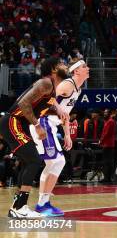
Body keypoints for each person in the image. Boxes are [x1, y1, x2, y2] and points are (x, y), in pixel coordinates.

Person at [0, 57, 68, 217]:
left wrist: (57, 109)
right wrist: (37, 125)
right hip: (13, 121)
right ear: (53, 70)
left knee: (27, 162)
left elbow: (44, 102)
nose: (65, 66)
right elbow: (24, 103)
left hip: (19, 124)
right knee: (34, 160)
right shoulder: (45, 83)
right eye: (61, 64)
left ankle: (17, 207)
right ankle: (19, 208)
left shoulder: (51, 88)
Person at [29, 60, 89, 216]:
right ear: (76, 71)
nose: (88, 68)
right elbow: (47, 94)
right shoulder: (67, 84)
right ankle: (43, 203)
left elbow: (65, 114)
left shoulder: (78, 90)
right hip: (43, 122)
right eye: (84, 67)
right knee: (57, 161)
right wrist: (57, 106)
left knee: (53, 163)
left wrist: (68, 135)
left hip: (51, 124)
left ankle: (44, 201)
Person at [99, 108, 116, 184]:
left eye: (106, 113)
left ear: (109, 114)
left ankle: (109, 177)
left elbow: (106, 133)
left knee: (108, 162)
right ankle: (107, 177)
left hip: (108, 144)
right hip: (107, 144)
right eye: (104, 112)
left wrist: (101, 141)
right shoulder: (107, 121)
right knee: (107, 161)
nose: (104, 114)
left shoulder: (110, 121)